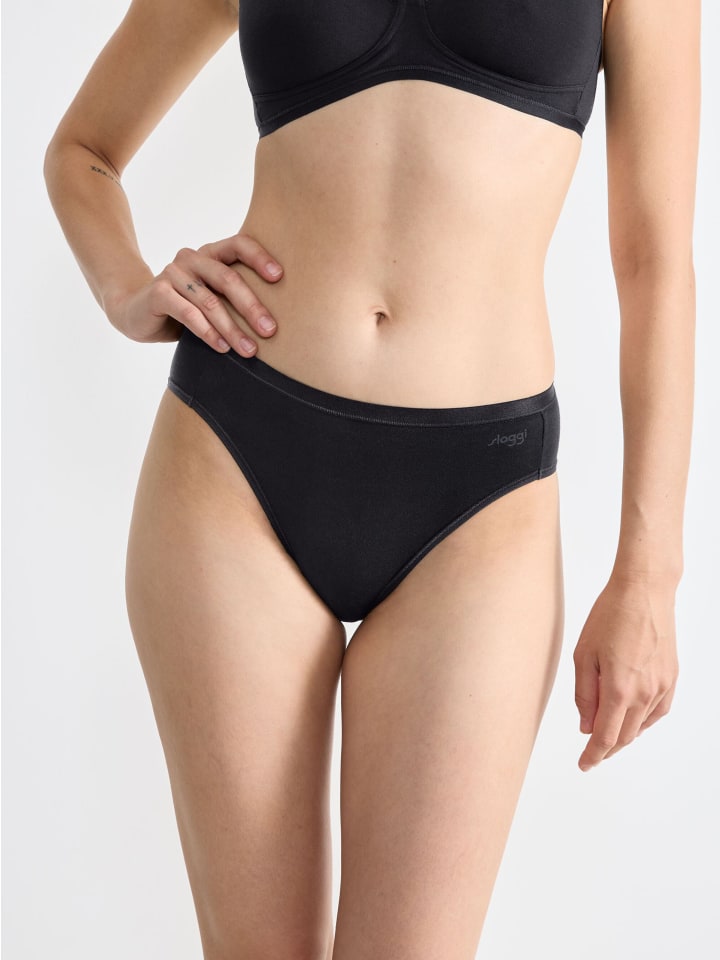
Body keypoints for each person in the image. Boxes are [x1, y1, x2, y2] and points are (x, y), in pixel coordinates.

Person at [43, 0, 699, 956]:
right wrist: (126, 290)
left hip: (480, 502)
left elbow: (654, 264)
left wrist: (651, 574)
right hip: (237, 458)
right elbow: (83, 151)